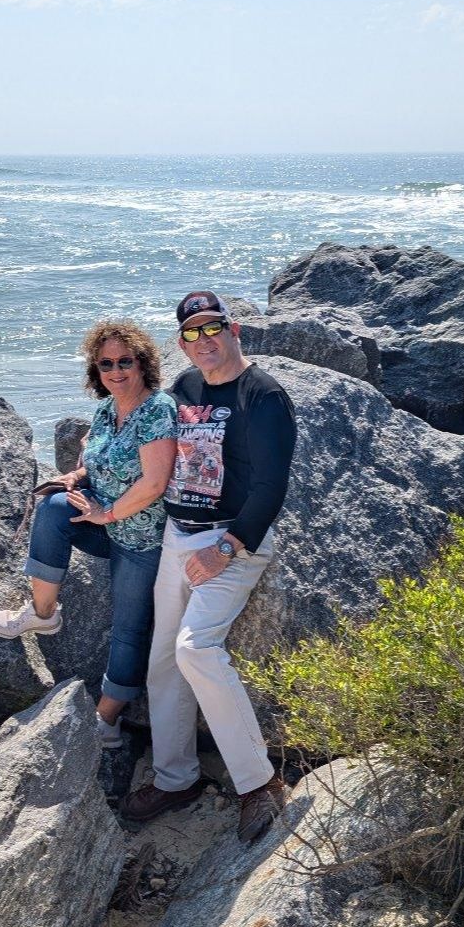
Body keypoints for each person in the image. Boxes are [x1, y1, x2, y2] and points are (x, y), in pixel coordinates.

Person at [120, 291, 297, 843]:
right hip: (178, 536)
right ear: (182, 344)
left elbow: (271, 487)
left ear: (233, 329)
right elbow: (150, 445)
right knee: (162, 661)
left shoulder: (264, 396)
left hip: (231, 543)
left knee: (196, 648)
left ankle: (259, 782)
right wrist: (82, 473)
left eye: (213, 327)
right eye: (193, 333)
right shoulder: (185, 389)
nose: (205, 340)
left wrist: (226, 548)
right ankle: (176, 779)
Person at [0, 321, 177, 747]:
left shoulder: (157, 410)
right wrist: (75, 476)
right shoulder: (108, 409)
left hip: (143, 537)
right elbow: (99, 459)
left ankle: (106, 719)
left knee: (129, 627)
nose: (116, 370)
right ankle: (43, 614)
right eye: (106, 363)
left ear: (142, 363)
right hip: (104, 522)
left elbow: (154, 483)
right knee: (54, 507)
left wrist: (105, 513)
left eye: (125, 361)